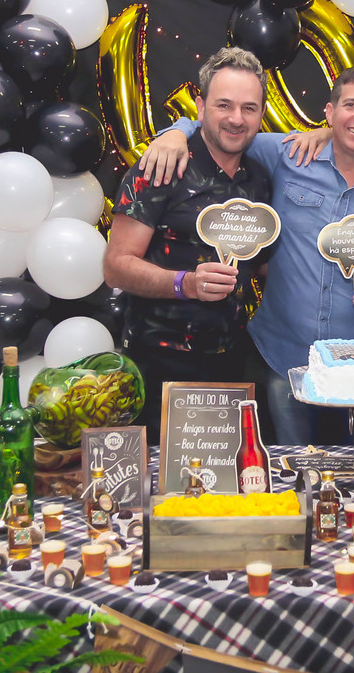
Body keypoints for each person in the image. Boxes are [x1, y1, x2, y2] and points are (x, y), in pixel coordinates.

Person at [139, 66, 354, 445]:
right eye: (351, 105)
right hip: (282, 359)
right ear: (330, 111)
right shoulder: (288, 155)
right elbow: (225, 130)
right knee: (289, 468)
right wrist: (177, 131)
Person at [103, 47, 272, 431]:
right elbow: (115, 266)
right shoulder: (161, 168)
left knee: (226, 468)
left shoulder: (259, 180)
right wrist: (187, 284)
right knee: (160, 470)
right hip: (157, 364)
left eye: (248, 108)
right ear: (200, 107)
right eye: (224, 105)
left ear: (261, 113)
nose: (236, 118)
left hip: (232, 366)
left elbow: (262, 263)